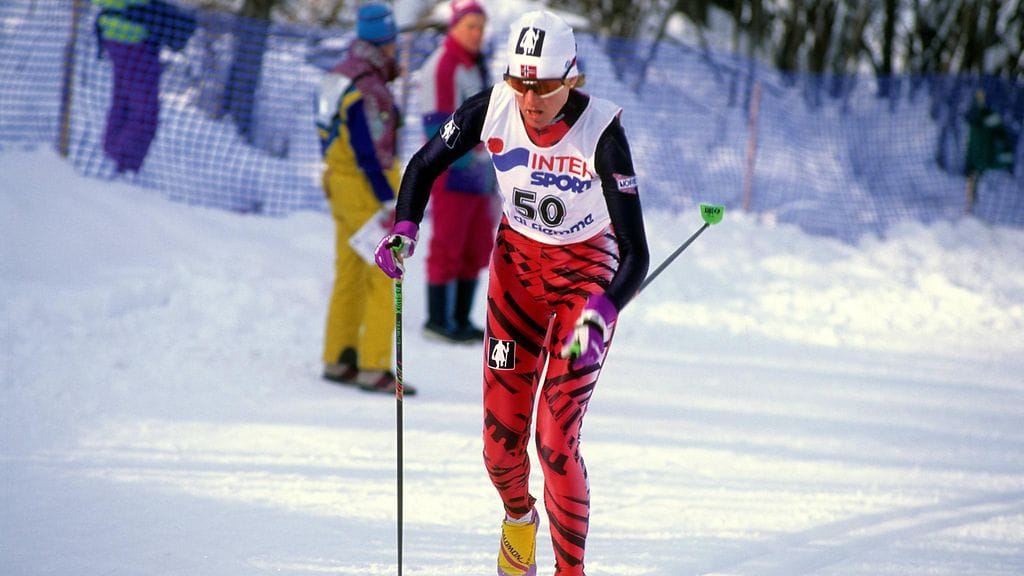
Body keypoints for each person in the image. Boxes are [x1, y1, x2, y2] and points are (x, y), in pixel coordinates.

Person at [375, 11, 649, 575]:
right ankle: (519, 518)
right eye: (521, 82)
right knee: (500, 452)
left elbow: (636, 253)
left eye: (544, 86)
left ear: (570, 79)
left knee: (554, 439)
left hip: (585, 278)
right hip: (518, 276)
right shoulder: (491, 106)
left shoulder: (603, 134)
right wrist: (405, 227)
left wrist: (602, 312)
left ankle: (568, 570)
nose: (530, 98)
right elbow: (425, 165)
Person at [315, 3, 415, 395]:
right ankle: (374, 366)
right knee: (384, 273)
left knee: (350, 272)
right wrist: (388, 200)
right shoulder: (368, 88)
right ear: (385, 43)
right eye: (393, 43)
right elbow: (367, 147)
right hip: (365, 187)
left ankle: (339, 356)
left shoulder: (339, 75)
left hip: (338, 181)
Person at [416, 0, 497, 343]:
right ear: (454, 27)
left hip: (480, 175)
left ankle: (461, 318)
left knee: (477, 245)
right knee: (447, 245)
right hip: (453, 172)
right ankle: (437, 319)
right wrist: (470, 153)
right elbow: (437, 125)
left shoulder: (476, 64)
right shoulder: (444, 65)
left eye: (481, 26)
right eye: (470, 26)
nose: (477, 34)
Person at [92, 0, 163, 174]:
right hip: (133, 35)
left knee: (124, 101)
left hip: (117, 32)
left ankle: (111, 155)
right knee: (145, 111)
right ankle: (124, 164)